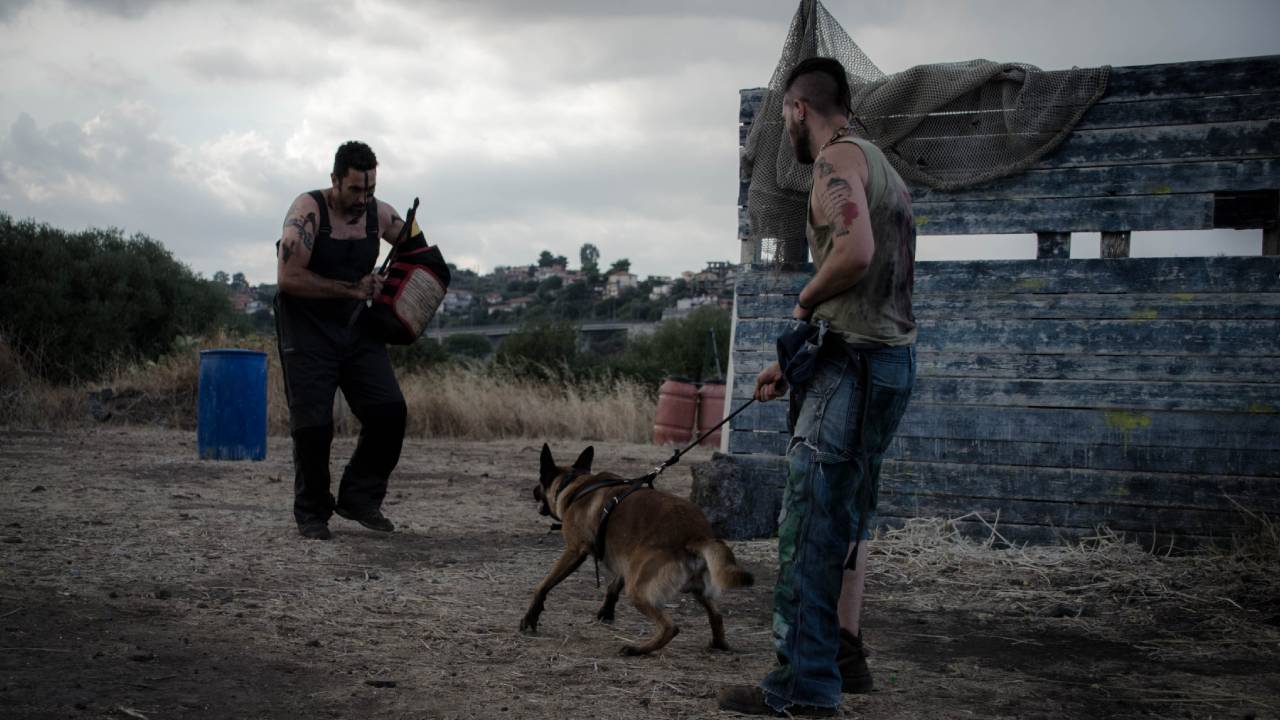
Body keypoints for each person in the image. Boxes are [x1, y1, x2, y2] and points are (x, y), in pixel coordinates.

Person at [718, 57, 918, 716]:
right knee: (846, 517)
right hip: (888, 364)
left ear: (800, 110)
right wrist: (797, 353)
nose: (787, 131)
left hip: (850, 370)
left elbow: (854, 251)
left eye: (785, 118)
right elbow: (868, 278)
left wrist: (803, 304)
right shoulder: (881, 163)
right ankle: (841, 656)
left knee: (806, 529)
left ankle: (804, 690)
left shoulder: (837, 163)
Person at [274, 140, 410, 541]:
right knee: (313, 425)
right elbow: (288, 279)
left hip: (356, 328)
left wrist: (399, 291)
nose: (362, 198)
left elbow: (417, 251)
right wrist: (352, 289)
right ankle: (312, 513)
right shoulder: (307, 212)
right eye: (354, 189)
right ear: (334, 180)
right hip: (306, 329)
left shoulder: (380, 214)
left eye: (368, 190)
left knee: (389, 411)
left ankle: (359, 499)